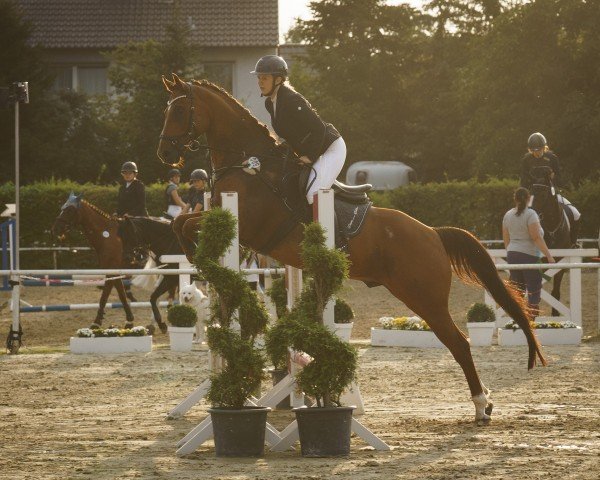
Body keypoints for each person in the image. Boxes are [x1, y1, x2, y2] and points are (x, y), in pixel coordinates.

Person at [251, 55, 346, 205]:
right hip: (314, 150)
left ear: (278, 79)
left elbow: (319, 128)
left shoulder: (292, 100)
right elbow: (290, 136)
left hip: (330, 149)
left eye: (265, 78)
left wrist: (310, 156)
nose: (260, 82)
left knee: (312, 195)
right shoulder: (270, 103)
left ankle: (326, 229)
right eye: (259, 78)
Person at [520, 132, 581, 244]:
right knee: (522, 216)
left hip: (551, 193)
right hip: (533, 195)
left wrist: (554, 178)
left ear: (544, 147)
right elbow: (523, 182)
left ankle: (573, 243)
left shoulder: (552, 158)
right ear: (530, 150)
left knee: (575, 213)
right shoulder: (526, 160)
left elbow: (560, 180)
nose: (536, 153)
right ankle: (523, 243)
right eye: (533, 151)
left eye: (538, 150)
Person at [502, 187, 555, 316]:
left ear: (515, 199)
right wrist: (549, 256)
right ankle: (531, 323)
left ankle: (518, 321)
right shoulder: (530, 214)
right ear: (528, 198)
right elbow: (536, 237)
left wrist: (511, 253)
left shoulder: (508, 215)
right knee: (534, 289)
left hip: (512, 254)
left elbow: (506, 238)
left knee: (518, 290)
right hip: (529, 254)